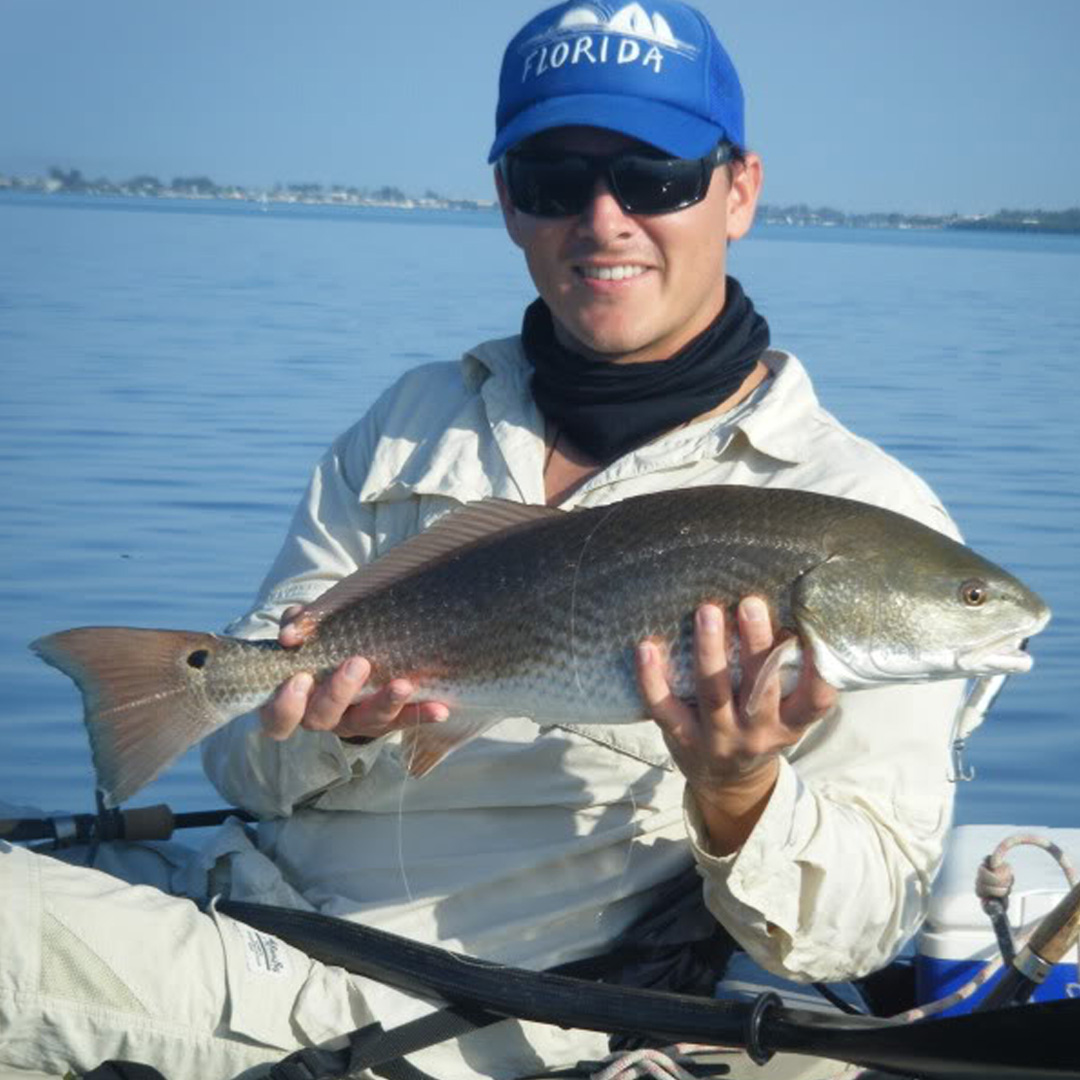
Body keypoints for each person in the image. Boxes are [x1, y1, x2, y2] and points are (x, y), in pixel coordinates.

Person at [0, 3, 967, 1078]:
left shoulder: (867, 517)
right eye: (555, 178)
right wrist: (339, 729)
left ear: (738, 190)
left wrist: (740, 796)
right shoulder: (415, 418)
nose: (604, 219)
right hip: (240, 906)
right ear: (508, 200)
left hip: (443, 1010)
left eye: (655, 178)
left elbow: (865, 934)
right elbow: (244, 759)